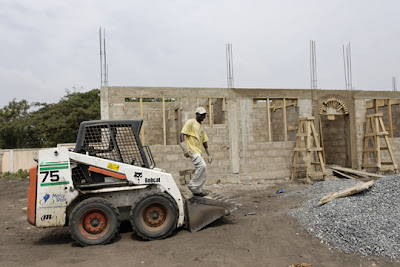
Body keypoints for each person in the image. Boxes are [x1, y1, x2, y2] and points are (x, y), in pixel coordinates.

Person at [180, 107, 213, 196]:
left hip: (199, 151)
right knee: (202, 166)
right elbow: (182, 134)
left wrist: (208, 153)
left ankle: (198, 189)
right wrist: (184, 148)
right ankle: (193, 186)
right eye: (201, 114)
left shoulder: (201, 127)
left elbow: (204, 141)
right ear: (197, 114)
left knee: (204, 169)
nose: (203, 116)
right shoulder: (191, 122)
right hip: (192, 150)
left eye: (204, 115)